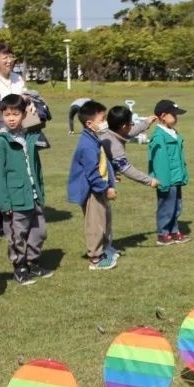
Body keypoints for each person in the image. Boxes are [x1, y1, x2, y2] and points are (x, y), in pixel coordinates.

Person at [0, 94, 53, 285]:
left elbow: (44, 119)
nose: (12, 118)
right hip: (15, 200)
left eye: (16, 114)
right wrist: (3, 203)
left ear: (24, 115)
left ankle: (33, 261)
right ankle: (20, 267)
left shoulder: (29, 136)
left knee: (39, 232)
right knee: (17, 236)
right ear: (2, 115)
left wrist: (32, 106)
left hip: (33, 195)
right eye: (7, 114)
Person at [99, 105, 158, 255]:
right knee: (102, 218)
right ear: (123, 125)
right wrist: (149, 180)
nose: (132, 126)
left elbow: (129, 133)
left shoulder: (111, 132)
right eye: (130, 123)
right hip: (100, 184)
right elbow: (126, 169)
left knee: (106, 216)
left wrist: (146, 123)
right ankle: (102, 250)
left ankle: (107, 247)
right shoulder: (114, 145)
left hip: (105, 180)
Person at [67, 100, 118, 270]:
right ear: (89, 124)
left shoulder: (95, 139)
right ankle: (95, 258)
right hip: (92, 192)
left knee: (105, 219)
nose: (105, 122)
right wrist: (105, 189)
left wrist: (111, 179)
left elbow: (104, 163)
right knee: (95, 224)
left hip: (100, 188)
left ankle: (105, 249)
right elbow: (92, 173)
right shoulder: (87, 145)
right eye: (102, 119)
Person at [148, 99, 191, 244]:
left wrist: (182, 175)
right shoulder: (159, 136)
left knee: (176, 206)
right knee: (166, 206)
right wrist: (163, 181)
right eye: (174, 115)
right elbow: (159, 162)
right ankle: (163, 233)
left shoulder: (173, 132)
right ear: (163, 115)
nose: (176, 118)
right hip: (166, 179)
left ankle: (173, 230)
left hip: (175, 177)